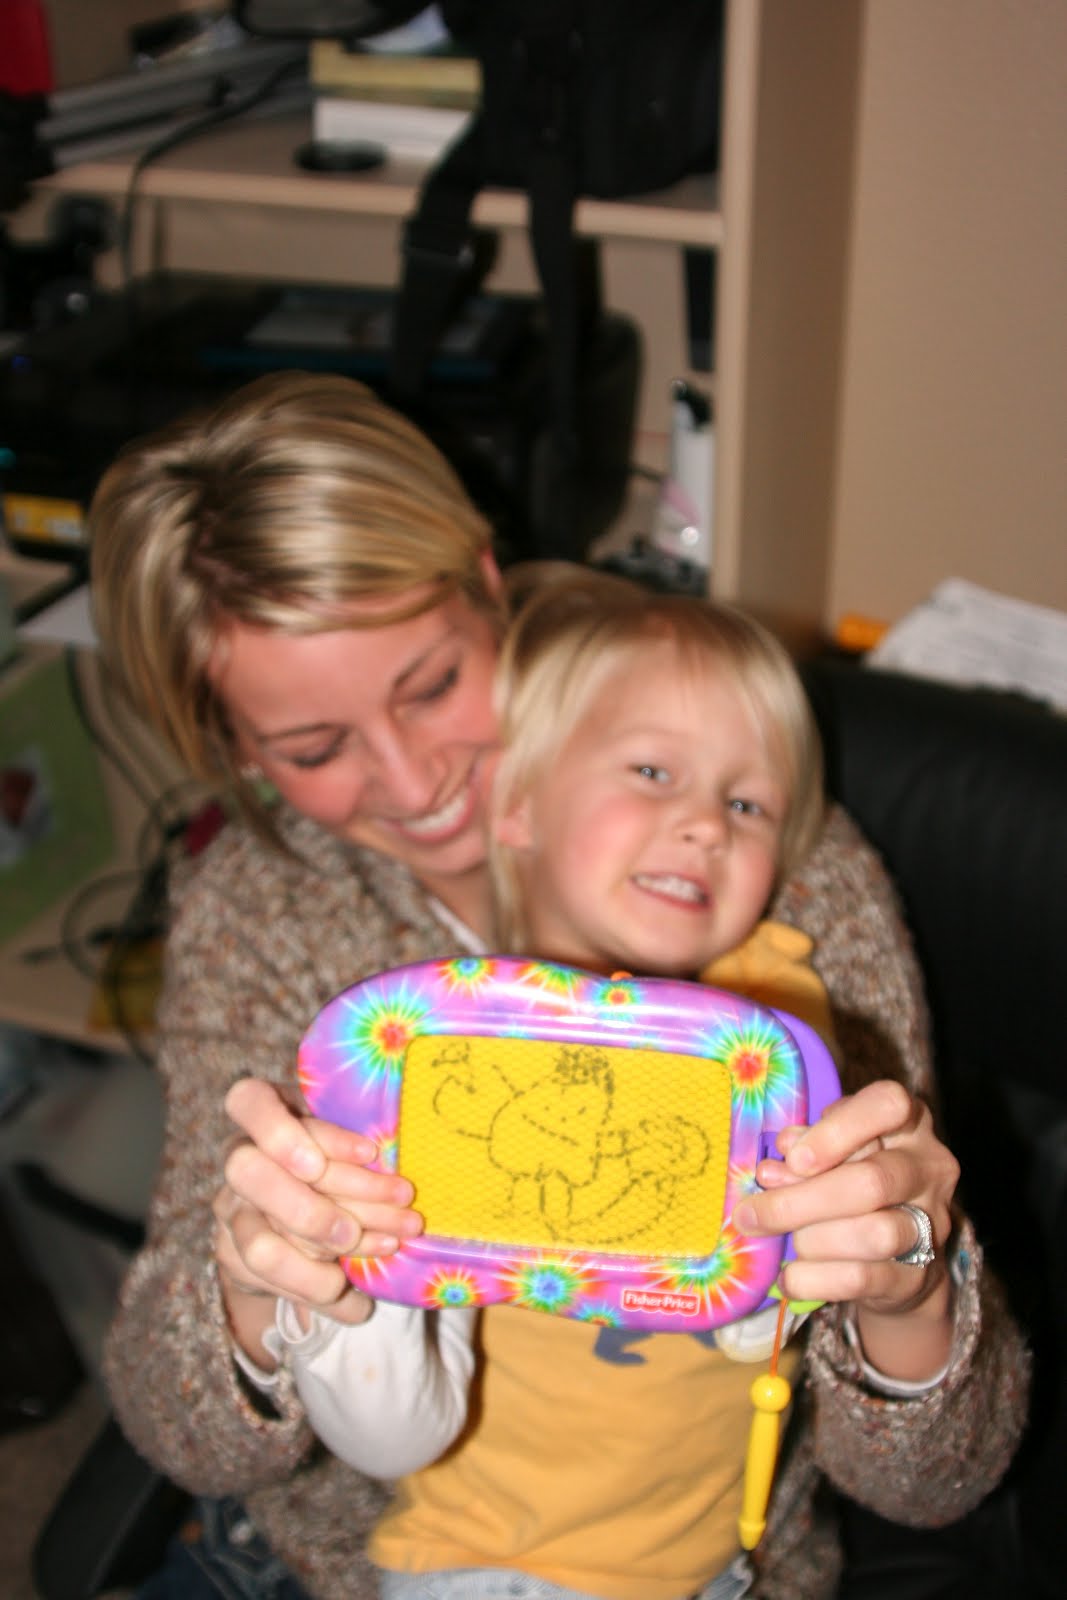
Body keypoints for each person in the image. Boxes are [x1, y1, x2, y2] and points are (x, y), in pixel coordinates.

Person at [87, 372, 1028, 1600]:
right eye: (313, 747)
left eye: (430, 685)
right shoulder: (261, 912)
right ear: (235, 750)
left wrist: (908, 1293)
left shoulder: (752, 855)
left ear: (486, 584)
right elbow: (181, 1433)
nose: (415, 781)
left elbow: (933, 1483)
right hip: (348, 1562)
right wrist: (250, 1299)